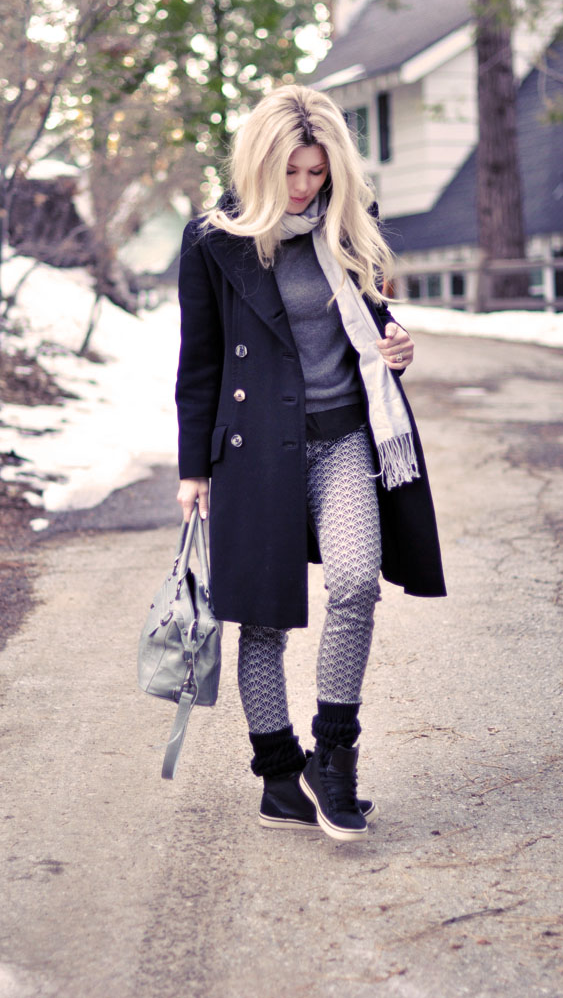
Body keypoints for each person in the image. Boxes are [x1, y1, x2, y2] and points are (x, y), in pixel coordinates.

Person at [175, 84, 445, 842]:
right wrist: (193, 469)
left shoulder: (353, 225)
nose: (305, 188)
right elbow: (199, 363)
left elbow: (374, 313)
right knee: (263, 619)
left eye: (317, 173)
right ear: (262, 165)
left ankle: (335, 758)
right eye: (291, 173)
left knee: (357, 581)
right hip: (253, 451)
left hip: (342, 438)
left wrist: (395, 342)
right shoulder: (213, 241)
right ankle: (275, 774)